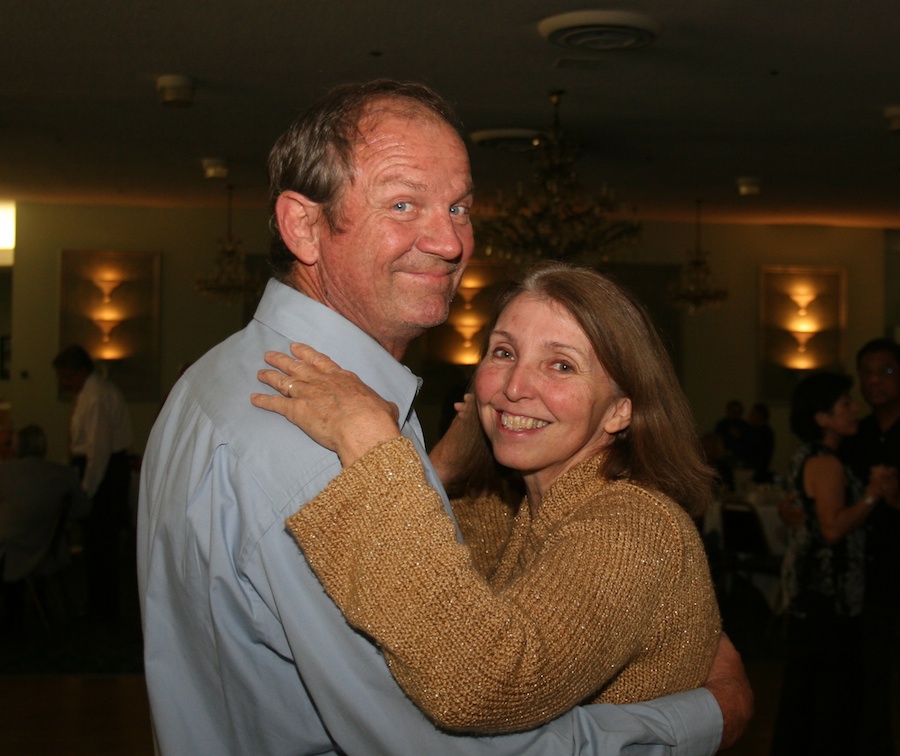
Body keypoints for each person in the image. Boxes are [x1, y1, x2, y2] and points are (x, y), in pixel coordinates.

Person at [137, 79, 751, 755]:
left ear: (624, 407)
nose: (450, 240)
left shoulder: (216, 381)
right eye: (404, 203)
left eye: (459, 206)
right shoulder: (326, 447)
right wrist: (702, 718)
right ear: (304, 226)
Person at [252, 262, 722, 734]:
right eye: (503, 352)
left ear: (621, 410)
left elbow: (485, 688)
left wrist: (370, 441)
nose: (515, 387)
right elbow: (421, 588)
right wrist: (442, 464)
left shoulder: (635, 526)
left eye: (561, 365)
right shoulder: (506, 507)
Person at [771, 372, 898, 755]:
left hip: (817, 600)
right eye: (845, 404)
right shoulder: (825, 461)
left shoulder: (817, 455)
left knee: (808, 697)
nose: (854, 408)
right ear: (822, 417)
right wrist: (873, 495)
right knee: (828, 703)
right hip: (828, 600)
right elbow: (832, 528)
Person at [840, 337, 900, 754]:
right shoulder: (854, 438)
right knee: (866, 675)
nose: (875, 381)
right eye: (867, 373)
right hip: (862, 578)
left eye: (886, 371)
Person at [53, 345, 132, 623]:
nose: (63, 383)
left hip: (104, 477)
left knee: (102, 545)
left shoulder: (97, 396)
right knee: (97, 545)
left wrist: (85, 491)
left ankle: (104, 610)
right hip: (102, 471)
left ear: (79, 372)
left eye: (66, 377)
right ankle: (100, 605)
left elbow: (98, 452)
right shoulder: (89, 393)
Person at [0, 425, 89, 631]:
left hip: (12, 551)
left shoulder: (5, 473)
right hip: (48, 550)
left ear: (15, 448)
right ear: (44, 448)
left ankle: (13, 613)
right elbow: (83, 509)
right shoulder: (64, 475)